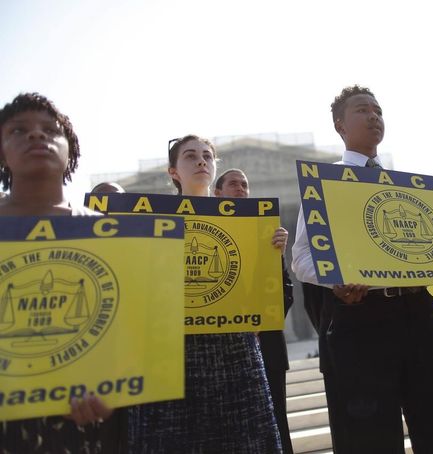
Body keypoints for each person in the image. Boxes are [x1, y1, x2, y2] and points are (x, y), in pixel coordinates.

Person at [292, 85, 433, 453]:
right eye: (362, 110)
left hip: (422, 319)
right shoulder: (323, 183)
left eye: (378, 110)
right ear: (340, 125)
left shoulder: (412, 188)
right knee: (373, 437)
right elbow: (302, 257)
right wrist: (335, 280)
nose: (374, 116)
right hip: (362, 320)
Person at [127, 135, 282, 453]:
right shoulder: (154, 220)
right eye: (190, 156)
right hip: (176, 352)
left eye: (208, 156)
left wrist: (271, 252)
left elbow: (256, 286)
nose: (201, 161)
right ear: (173, 171)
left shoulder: (246, 221)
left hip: (235, 348)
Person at [0, 93, 124, 453]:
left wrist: (113, 393)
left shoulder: (110, 236)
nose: (36, 136)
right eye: (18, 130)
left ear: (71, 149)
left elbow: (126, 331)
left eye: (50, 130)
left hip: (82, 425)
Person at [214, 168, 294, 454]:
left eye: (245, 184)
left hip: (267, 347)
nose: (241, 188)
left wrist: (278, 255)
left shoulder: (268, 233)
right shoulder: (204, 233)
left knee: (277, 430)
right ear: (217, 193)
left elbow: (286, 293)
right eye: (233, 183)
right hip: (221, 352)